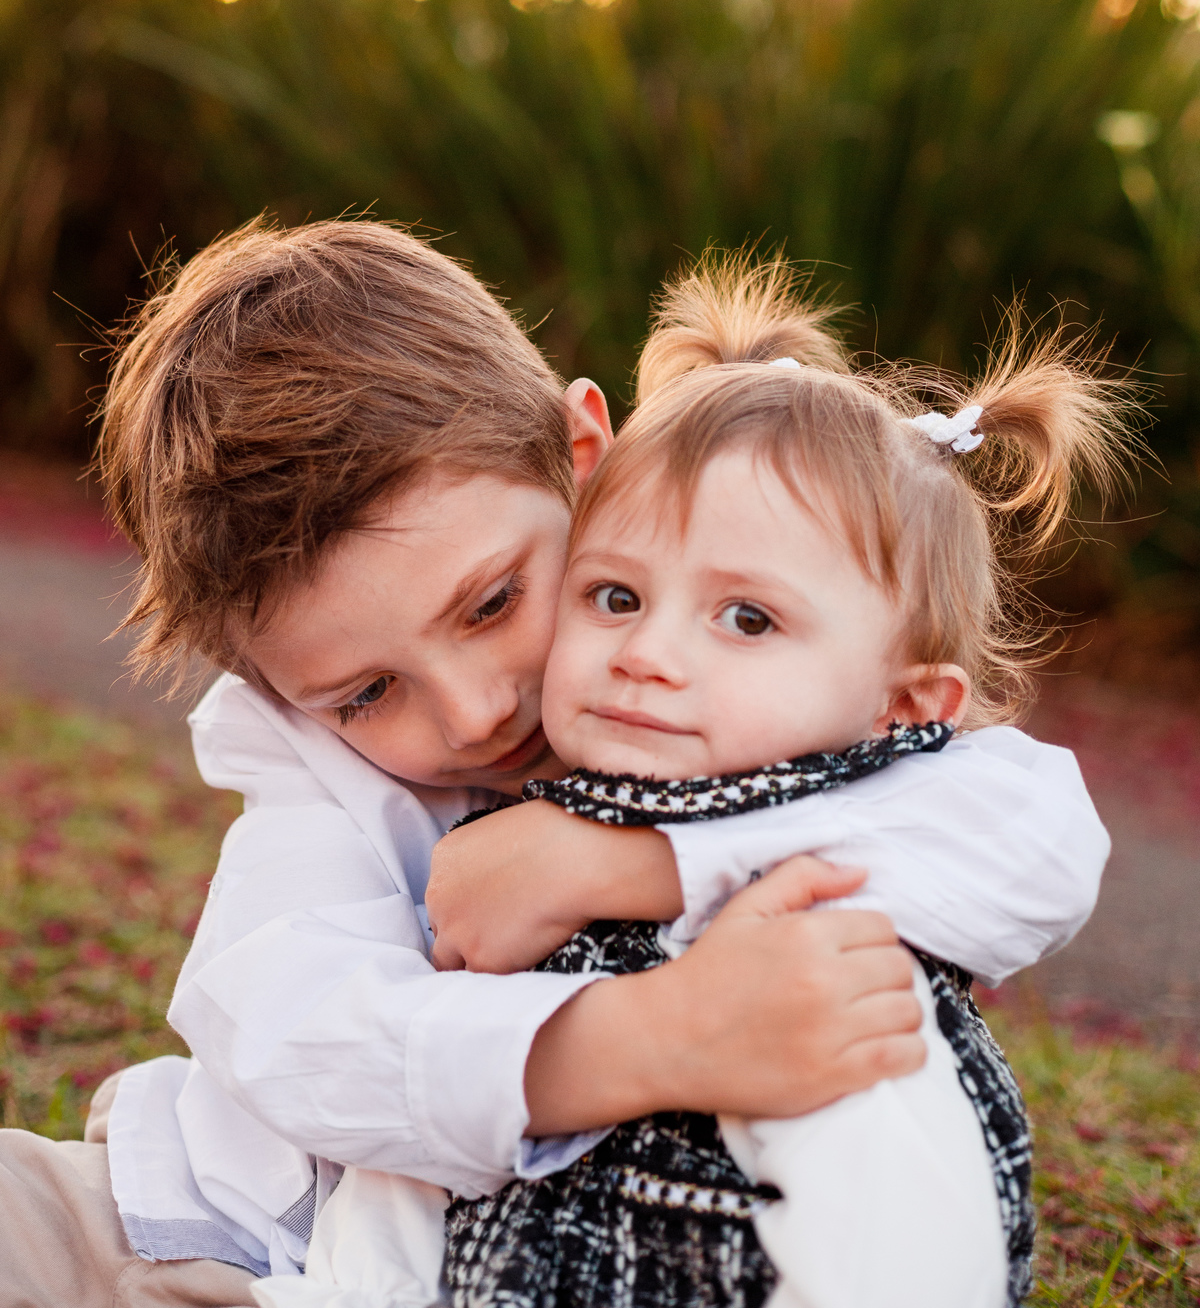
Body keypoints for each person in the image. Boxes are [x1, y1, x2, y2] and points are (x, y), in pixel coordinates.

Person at [0, 221, 1108, 1308]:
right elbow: (297, 1033)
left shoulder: (747, 698)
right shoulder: (312, 773)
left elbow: (1029, 831)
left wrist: (617, 867)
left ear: (584, 460)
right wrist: (646, 1039)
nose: (477, 713)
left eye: (492, 602)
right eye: (368, 694)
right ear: (281, 691)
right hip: (201, 1223)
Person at [426, 255, 1136, 1308]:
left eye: (747, 619)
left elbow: (904, 1238)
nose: (648, 652)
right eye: (614, 594)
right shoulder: (532, 790)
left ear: (905, 708)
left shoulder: (819, 923)